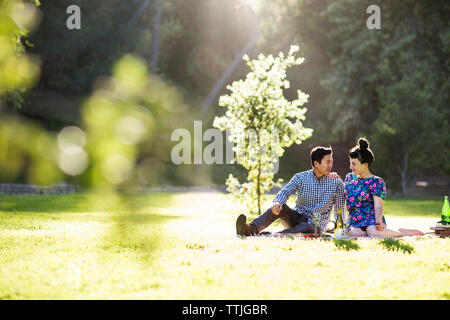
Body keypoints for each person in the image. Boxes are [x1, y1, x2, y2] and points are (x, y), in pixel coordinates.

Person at [236, 146, 346, 236]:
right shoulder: (300, 177)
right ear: (316, 163)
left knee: (307, 227)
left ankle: (278, 235)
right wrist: (277, 203)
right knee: (281, 207)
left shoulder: (336, 183)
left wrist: (341, 229)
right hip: (296, 218)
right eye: (327, 162)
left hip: (315, 225)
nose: (331, 165)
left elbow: (339, 209)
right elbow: (285, 191)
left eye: (331, 162)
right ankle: (250, 229)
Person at [344, 138, 424, 237]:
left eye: (354, 164)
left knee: (373, 232)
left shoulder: (376, 181)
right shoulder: (349, 178)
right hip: (354, 219)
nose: (350, 167)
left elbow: (378, 205)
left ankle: (404, 233)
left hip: (371, 218)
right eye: (350, 163)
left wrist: (378, 222)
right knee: (353, 233)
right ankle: (378, 233)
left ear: (365, 164)